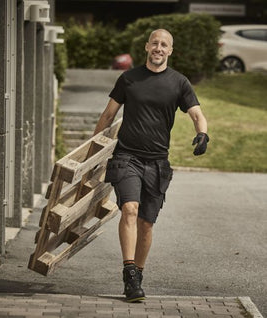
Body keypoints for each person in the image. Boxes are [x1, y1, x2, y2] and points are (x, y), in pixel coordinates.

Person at [93, 29, 209, 302]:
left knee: (146, 223)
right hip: (127, 158)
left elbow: (196, 114)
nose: (158, 48)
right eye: (154, 43)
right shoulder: (129, 79)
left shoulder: (179, 83)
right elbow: (108, 115)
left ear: (170, 50)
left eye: (164, 44)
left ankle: (139, 274)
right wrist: (93, 151)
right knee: (130, 210)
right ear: (147, 47)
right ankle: (129, 273)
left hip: (158, 162)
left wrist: (203, 134)